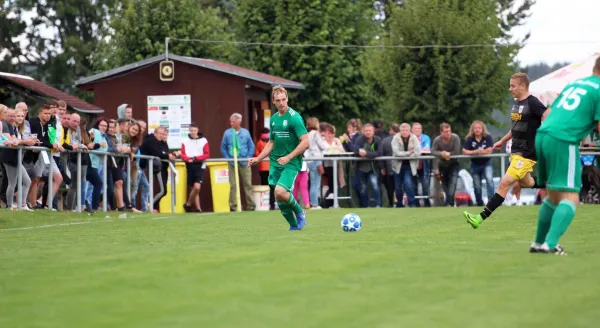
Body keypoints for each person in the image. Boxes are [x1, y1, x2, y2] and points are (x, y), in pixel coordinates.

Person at [529, 57, 600, 254]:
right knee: (571, 197)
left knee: (553, 196)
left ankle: (538, 242)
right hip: (562, 140)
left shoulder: (575, 84)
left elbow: (547, 113)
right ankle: (550, 245)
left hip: (543, 135)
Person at [464, 73, 548, 228]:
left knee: (504, 184)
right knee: (527, 182)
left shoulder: (533, 103)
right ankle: (550, 182)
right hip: (515, 152)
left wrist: (545, 136)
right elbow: (515, 128)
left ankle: (479, 218)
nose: (510, 89)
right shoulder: (517, 104)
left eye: (513, 85)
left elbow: (549, 116)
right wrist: (502, 140)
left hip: (526, 154)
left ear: (523, 86)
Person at [249, 85, 309, 230]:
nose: (282, 103)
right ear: (274, 101)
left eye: (284, 99)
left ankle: (300, 212)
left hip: (291, 162)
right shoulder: (274, 119)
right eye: (278, 100)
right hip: (275, 162)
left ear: (287, 99)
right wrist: (258, 158)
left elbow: (306, 142)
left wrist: (288, 157)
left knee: (280, 191)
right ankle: (294, 226)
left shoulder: (295, 118)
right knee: (279, 197)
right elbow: (271, 142)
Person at [220, 113, 256, 211]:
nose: (231, 123)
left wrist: (248, 158)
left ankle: (251, 206)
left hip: (244, 161)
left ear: (239, 121)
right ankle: (233, 206)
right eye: (231, 121)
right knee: (233, 184)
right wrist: (229, 159)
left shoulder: (245, 132)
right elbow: (223, 148)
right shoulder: (227, 133)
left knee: (247, 183)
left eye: (234, 121)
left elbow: (251, 146)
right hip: (232, 162)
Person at [462, 120, 494, 206]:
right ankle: (479, 202)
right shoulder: (469, 139)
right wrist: (474, 152)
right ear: (472, 129)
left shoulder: (487, 137)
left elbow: (490, 150)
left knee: (489, 180)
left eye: (479, 128)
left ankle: (491, 201)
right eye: (475, 128)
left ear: (482, 129)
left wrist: (480, 152)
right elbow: (464, 151)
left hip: (487, 162)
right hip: (475, 164)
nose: (477, 130)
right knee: (477, 185)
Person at [181, 123, 210, 212]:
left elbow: (207, 154)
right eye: (191, 130)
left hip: (200, 164)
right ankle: (198, 208)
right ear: (189, 131)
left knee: (197, 187)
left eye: (195, 130)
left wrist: (196, 158)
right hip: (189, 165)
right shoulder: (185, 140)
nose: (193, 132)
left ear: (197, 131)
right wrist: (188, 159)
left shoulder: (204, 140)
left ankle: (188, 204)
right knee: (193, 188)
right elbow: (183, 154)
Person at [431, 123, 461, 207]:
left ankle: (449, 203)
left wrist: (447, 154)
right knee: (445, 185)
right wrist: (441, 153)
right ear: (441, 132)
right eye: (446, 131)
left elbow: (456, 152)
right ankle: (449, 202)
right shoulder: (437, 140)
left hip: (453, 163)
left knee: (453, 183)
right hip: (442, 165)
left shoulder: (455, 138)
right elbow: (433, 151)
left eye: (449, 131)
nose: (448, 133)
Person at [391, 123, 421, 207]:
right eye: (403, 130)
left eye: (406, 130)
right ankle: (399, 204)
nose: (404, 132)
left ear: (410, 130)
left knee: (408, 184)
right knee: (398, 188)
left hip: (409, 166)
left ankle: (412, 204)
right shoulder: (395, 138)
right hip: (397, 166)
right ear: (400, 131)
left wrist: (404, 154)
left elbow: (417, 152)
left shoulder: (414, 138)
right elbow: (396, 153)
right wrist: (408, 153)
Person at [255, 128, 275, 210]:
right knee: (270, 187)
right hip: (268, 167)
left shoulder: (260, 143)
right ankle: (270, 204)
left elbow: (257, 154)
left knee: (267, 187)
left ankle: (267, 204)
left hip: (265, 168)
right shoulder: (271, 143)